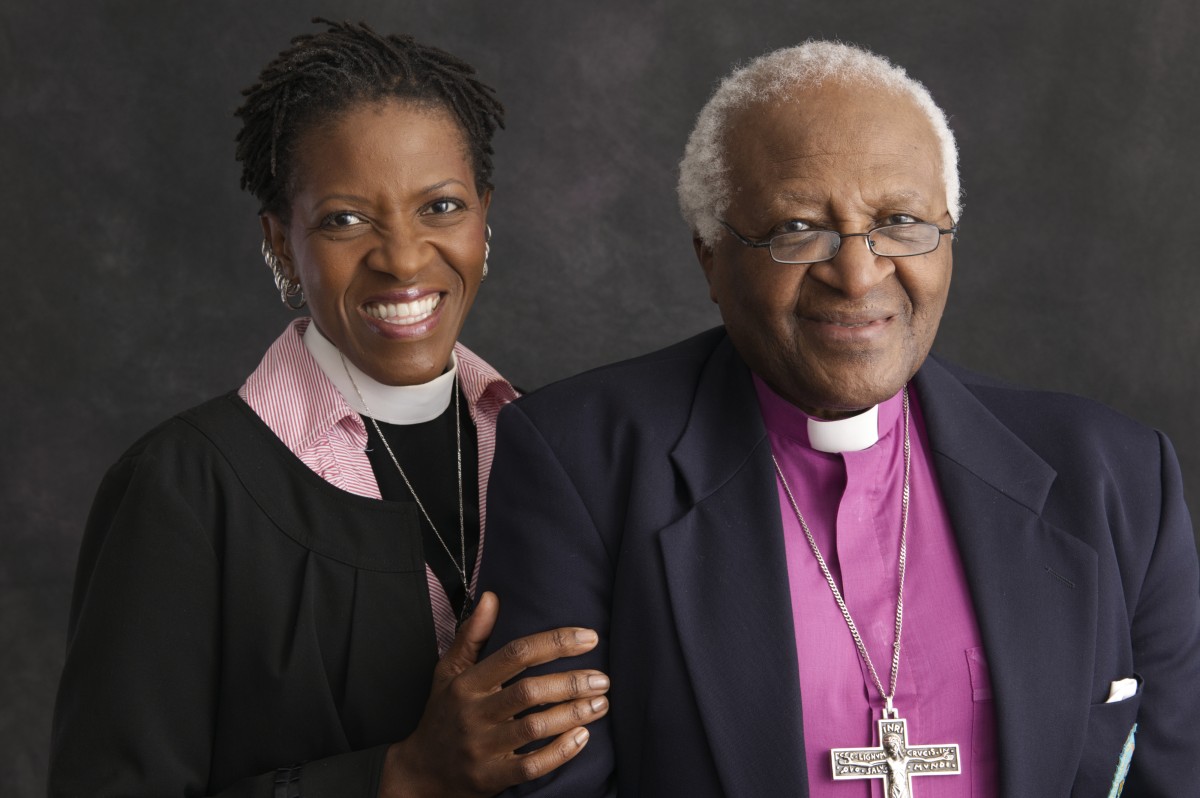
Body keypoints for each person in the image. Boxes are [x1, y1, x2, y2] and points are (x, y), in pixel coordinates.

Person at [479, 40, 1200, 796]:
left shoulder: (1117, 476)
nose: (858, 273)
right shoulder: (579, 463)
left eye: (899, 220)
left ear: (948, 234)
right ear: (711, 258)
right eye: (797, 229)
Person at [48, 20, 609, 798]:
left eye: (441, 207)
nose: (404, 258)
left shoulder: (569, 450)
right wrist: (402, 776)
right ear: (281, 241)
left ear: (485, 218)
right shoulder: (185, 488)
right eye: (345, 219)